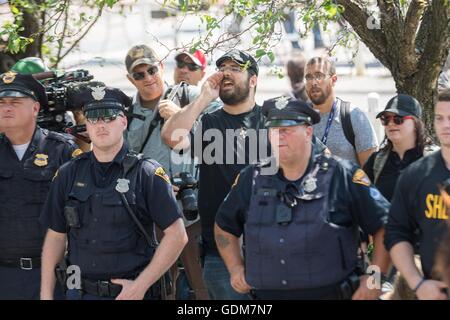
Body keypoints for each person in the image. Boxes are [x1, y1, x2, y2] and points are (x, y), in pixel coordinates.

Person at [214, 97, 390, 300]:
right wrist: (236, 268)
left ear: (308, 132)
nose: (278, 136)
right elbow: (223, 226)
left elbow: (384, 226)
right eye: (273, 130)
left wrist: (374, 280)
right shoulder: (251, 178)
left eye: (286, 129)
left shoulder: (342, 175)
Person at [39, 86, 188, 300]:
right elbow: (55, 236)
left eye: (109, 117)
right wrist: (46, 294)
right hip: (79, 293)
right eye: (93, 118)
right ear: (86, 126)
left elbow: (177, 236)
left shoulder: (147, 172)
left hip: (130, 294)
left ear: (123, 122)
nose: (101, 125)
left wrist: (140, 286)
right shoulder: (68, 173)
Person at [162, 49, 266, 300]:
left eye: (235, 68)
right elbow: (171, 136)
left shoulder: (272, 121)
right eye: (223, 68)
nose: (227, 73)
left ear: (253, 80)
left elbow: (318, 160)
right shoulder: (208, 122)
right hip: (220, 255)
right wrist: (202, 100)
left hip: (270, 250)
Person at [125, 44, 219, 299]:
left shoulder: (190, 96)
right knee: (160, 291)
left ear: (162, 68)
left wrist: (182, 115)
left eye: (151, 70)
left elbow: (223, 137)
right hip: (152, 221)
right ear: (130, 79)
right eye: (139, 74)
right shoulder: (126, 114)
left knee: (202, 291)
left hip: (194, 215)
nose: (148, 78)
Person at [0, 72, 80, 299]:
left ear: (35, 109)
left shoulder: (61, 149)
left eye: (15, 102)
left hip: (52, 275)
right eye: (1, 102)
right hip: (4, 276)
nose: (6, 108)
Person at [385, 88, 450, 300]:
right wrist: (418, 283)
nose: (445, 125)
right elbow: (396, 232)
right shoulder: (417, 175)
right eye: (440, 118)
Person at [305, 56, 378, 166]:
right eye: (309, 77)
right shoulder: (300, 119)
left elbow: (370, 175)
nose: (313, 82)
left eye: (319, 76)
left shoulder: (354, 117)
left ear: (333, 80)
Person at [363, 94, 436, 201]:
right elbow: (359, 199)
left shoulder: (436, 159)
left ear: (416, 123)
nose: (391, 123)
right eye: (386, 119)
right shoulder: (375, 161)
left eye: (398, 119)